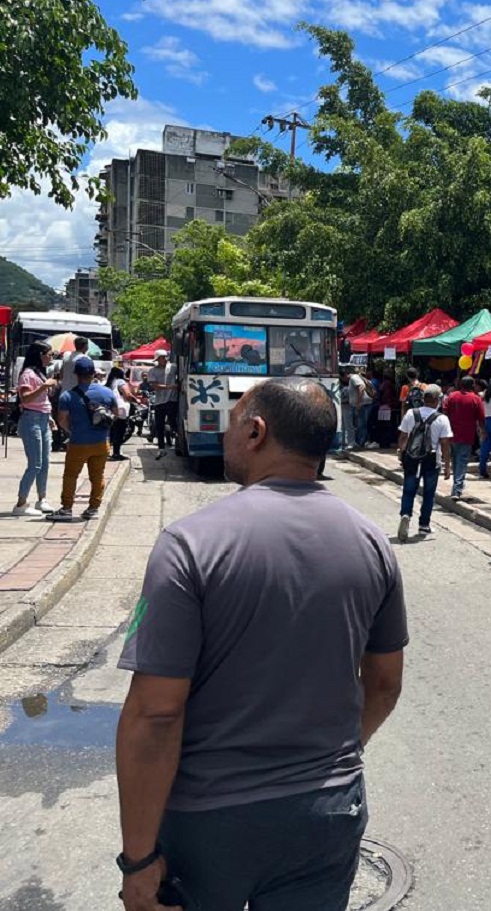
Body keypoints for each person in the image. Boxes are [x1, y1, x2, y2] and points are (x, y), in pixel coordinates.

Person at [115, 377, 406, 911]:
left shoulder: (188, 545)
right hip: (327, 811)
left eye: (231, 423)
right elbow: (385, 685)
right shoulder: (372, 542)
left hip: (209, 822)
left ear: (256, 432)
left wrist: (137, 861)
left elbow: (155, 713)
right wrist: (334, 757)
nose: (225, 435)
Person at [51, 356, 115, 521]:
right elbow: (116, 413)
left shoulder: (67, 396)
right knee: (98, 476)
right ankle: (93, 508)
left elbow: (62, 420)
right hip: (101, 442)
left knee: (71, 475)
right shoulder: (107, 392)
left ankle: (66, 508)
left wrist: (71, 430)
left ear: (76, 374)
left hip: (78, 442)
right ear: (94, 373)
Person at [396, 385, 453, 543]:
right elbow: (445, 443)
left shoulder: (411, 413)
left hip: (412, 457)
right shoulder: (442, 419)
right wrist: (447, 465)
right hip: (431, 459)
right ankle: (424, 524)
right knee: (429, 493)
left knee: (408, 490)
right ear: (437, 400)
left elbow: (403, 436)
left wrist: (402, 453)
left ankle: (405, 514)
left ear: (423, 399)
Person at [13, 341, 59, 516]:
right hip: (31, 420)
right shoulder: (27, 374)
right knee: (35, 464)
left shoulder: (40, 373)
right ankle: (21, 504)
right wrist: (44, 386)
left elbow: (42, 402)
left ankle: (42, 498)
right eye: (49, 354)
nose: (51, 357)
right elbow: (25, 398)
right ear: (40, 355)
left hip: (42, 418)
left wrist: (49, 418)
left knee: (45, 463)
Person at [442, 376, 485, 499]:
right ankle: (457, 489)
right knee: (461, 461)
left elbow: (444, 411)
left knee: (456, 460)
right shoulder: (476, 399)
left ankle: (457, 483)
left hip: (451, 433)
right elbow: (481, 417)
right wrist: (482, 431)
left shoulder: (452, 396)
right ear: (472, 385)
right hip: (467, 435)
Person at [146, 350, 178, 457]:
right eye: (162, 357)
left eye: (165, 357)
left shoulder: (173, 367)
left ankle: (176, 435)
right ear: (157, 359)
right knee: (159, 425)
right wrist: (170, 387)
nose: (164, 359)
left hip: (171, 399)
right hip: (159, 401)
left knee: (173, 420)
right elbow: (154, 386)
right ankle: (161, 448)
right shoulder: (152, 371)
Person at [106, 366, 143, 462]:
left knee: (113, 431)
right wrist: (137, 400)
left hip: (111, 409)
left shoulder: (110, 383)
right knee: (121, 430)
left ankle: (111, 451)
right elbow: (127, 394)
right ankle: (116, 453)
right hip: (121, 409)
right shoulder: (120, 381)